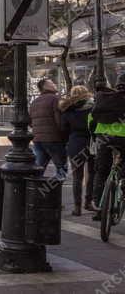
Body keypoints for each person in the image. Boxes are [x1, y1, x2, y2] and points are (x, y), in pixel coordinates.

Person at [90, 72, 125, 223]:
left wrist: (94, 136)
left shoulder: (104, 97)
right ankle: (121, 192)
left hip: (102, 137)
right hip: (123, 138)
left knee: (101, 171)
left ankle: (98, 206)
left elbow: (92, 119)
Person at [59, 85, 95, 215]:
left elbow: (63, 129)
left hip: (75, 143)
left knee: (77, 177)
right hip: (92, 143)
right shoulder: (93, 107)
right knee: (92, 174)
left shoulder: (67, 109)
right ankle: (88, 202)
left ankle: (77, 207)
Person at [30, 77, 67, 179]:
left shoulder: (34, 102)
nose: (55, 84)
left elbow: (30, 121)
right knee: (61, 168)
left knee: (38, 169)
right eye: (52, 83)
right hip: (54, 139)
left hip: (38, 140)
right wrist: (64, 136)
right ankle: (55, 191)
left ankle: (35, 191)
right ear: (45, 87)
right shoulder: (55, 99)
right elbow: (60, 121)